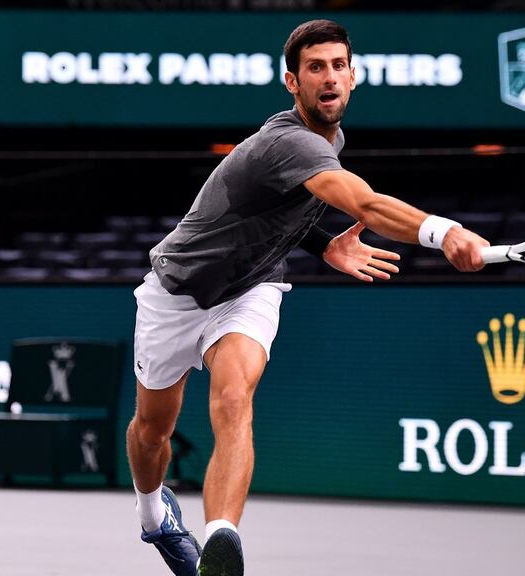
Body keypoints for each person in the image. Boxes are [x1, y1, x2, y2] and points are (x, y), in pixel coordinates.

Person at [127, 19, 489, 576]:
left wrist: (321, 246)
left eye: (338, 66)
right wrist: (445, 232)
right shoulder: (288, 142)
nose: (329, 78)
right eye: (315, 68)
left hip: (252, 288)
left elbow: (286, 208)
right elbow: (364, 204)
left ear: (354, 76)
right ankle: (154, 516)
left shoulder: (330, 140)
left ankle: (221, 540)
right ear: (292, 82)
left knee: (233, 400)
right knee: (153, 430)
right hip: (175, 293)